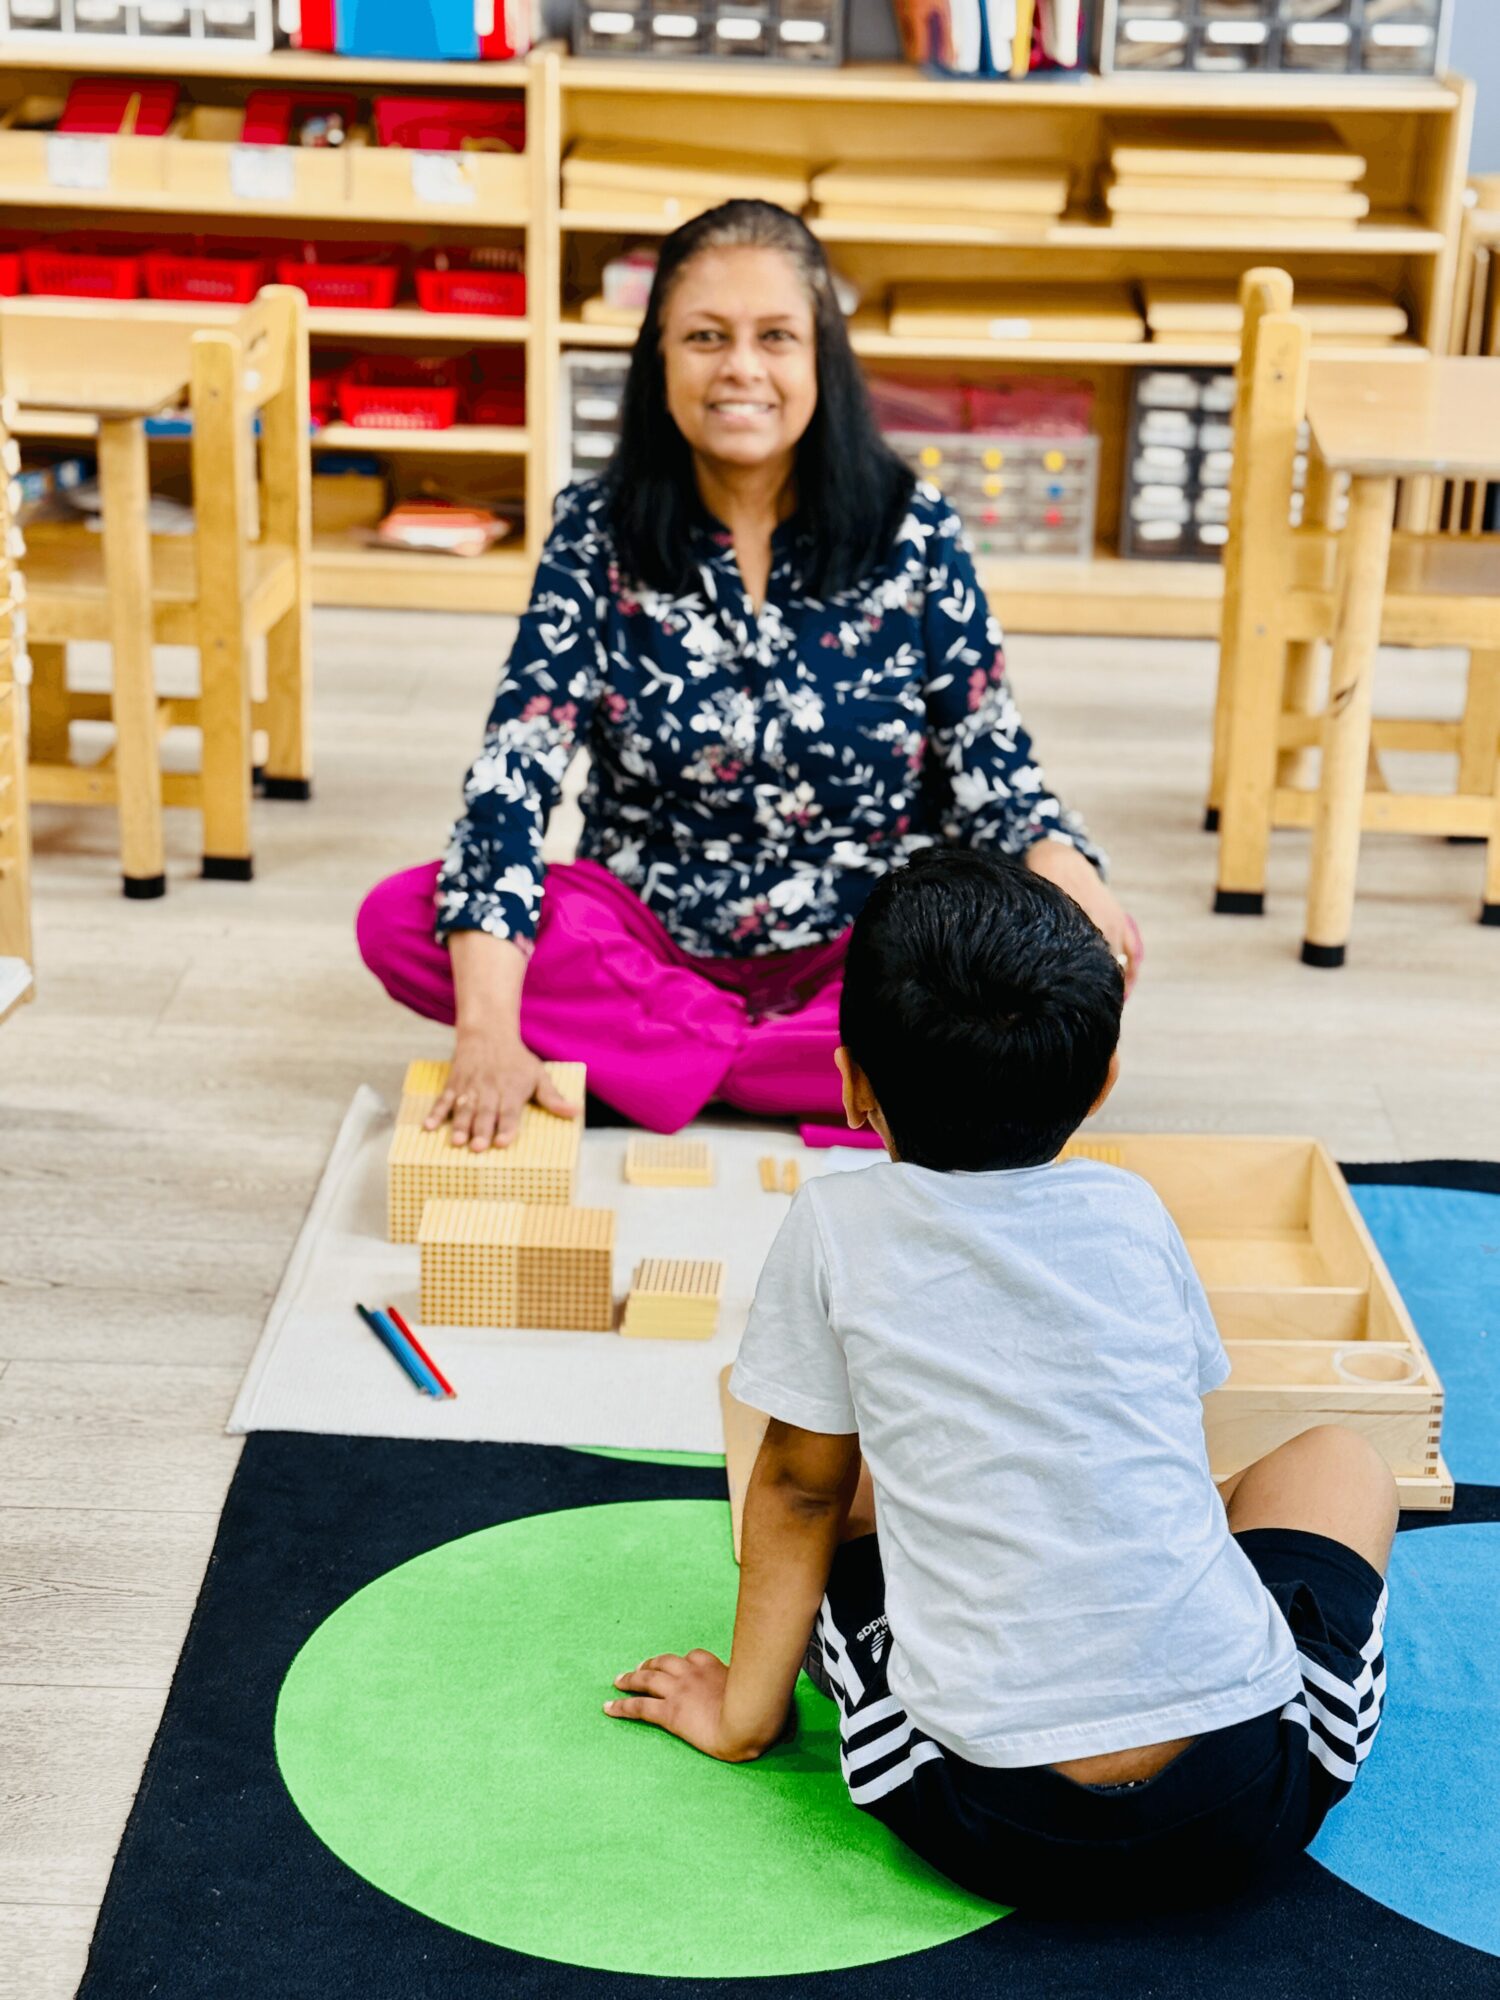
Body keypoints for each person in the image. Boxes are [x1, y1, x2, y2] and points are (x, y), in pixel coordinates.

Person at [603, 848, 1396, 1916]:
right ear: (1104, 1082)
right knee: (1341, 1458)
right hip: (1241, 1798)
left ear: (850, 1082)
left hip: (988, 1812)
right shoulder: (1133, 1209)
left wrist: (744, 1714)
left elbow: (795, 1491)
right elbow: (1167, 1436)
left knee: (828, 1484)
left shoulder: (836, 1227)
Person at [357, 200, 1140, 1147]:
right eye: (704, 337)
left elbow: (996, 767)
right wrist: (485, 1029)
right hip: (648, 945)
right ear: (659, 360)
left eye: (775, 336)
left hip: (868, 950)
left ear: (821, 358)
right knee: (399, 919)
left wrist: (1066, 869)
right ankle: (858, 1074)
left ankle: (673, 1070)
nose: (741, 368)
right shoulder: (594, 530)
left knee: (1072, 948)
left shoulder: (913, 530)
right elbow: (513, 775)